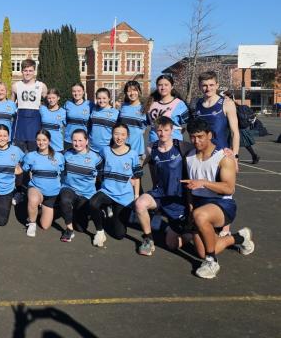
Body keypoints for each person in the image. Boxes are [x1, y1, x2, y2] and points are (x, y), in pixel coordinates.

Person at [180, 118, 254, 279]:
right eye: (192, 137)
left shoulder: (223, 157)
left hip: (222, 204)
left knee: (201, 217)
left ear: (210, 135)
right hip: (200, 205)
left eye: (200, 136)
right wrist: (191, 209)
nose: (196, 141)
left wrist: (204, 183)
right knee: (202, 250)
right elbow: (189, 188)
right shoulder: (189, 156)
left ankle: (212, 261)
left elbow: (229, 188)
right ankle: (240, 237)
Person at [134, 116, 190, 256]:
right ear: (155, 130)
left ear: (172, 130)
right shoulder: (151, 148)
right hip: (159, 194)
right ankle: (148, 239)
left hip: (177, 199)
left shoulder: (182, 146)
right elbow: (139, 164)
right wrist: (131, 172)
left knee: (172, 245)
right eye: (159, 130)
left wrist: (228, 153)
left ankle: (190, 232)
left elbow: (204, 149)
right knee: (140, 204)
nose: (162, 133)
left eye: (166, 130)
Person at [89, 123, 142, 247]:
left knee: (119, 235)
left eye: (123, 134)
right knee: (93, 203)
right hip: (107, 191)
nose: (119, 137)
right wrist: (100, 180)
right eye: (116, 134)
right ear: (112, 135)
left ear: (127, 136)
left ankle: (111, 211)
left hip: (124, 196)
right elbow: (97, 167)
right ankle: (100, 231)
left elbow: (136, 177)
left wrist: (136, 196)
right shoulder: (105, 150)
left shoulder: (133, 154)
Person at [59, 129, 103, 242]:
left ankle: (80, 213)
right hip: (69, 188)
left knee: (81, 228)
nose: (77, 144)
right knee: (64, 199)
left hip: (86, 194)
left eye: (80, 140)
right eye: (74, 140)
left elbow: (102, 176)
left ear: (87, 141)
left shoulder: (96, 158)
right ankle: (69, 230)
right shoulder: (66, 154)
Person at [21, 129, 64, 237]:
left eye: (44, 140)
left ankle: (37, 211)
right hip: (36, 188)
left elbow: (63, 174)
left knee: (45, 226)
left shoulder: (59, 156)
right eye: (38, 140)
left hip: (51, 194)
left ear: (49, 141)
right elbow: (23, 169)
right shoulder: (30, 156)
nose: (41, 142)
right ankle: (31, 223)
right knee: (33, 199)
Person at [194, 72, 240, 155]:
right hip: (201, 154)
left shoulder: (227, 103)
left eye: (211, 85)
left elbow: (235, 132)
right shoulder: (196, 104)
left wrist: (235, 156)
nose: (208, 88)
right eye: (204, 85)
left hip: (221, 154)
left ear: (217, 85)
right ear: (199, 87)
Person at [12, 59, 47, 153]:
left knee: (34, 152)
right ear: (22, 71)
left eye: (30, 70)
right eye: (25, 71)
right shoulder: (16, 86)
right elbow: (11, 105)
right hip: (20, 122)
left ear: (34, 71)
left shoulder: (42, 86)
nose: (28, 73)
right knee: (19, 153)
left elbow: (48, 104)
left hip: (35, 121)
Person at [145, 74, 189, 143]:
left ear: (172, 86)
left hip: (174, 144)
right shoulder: (151, 104)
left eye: (166, 85)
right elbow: (147, 123)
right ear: (157, 86)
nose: (163, 87)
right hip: (154, 143)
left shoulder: (179, 104)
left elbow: (186, 125)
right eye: (160, 85)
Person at [223, 91, 259, 164]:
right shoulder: (234, 103)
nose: (224, 98)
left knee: (234, 143)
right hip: (237, 127)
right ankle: (253, 156)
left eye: (225, 96)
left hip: (236, 127)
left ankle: (238, 158)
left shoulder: (230, 104)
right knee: (244, 144)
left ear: (228, 97)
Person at [118, 81, 147, 160]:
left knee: (136, 172)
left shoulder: (145, 108)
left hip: (137, 151)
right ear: (126, 93)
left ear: (139, 91)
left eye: (134, 90)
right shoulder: (122, 107)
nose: (132, 93)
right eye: (129, 91)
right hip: (122, 149)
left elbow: (152, 127)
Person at [63, 83, 93, 150]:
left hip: (83, 140)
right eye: (74, 91)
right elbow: (63, 121)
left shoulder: (90, 104)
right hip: (69, 139)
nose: (76, 93)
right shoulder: (67, 104)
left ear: (83, 92)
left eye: (79, 91)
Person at [88, 88, 119, 153]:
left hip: (107, 149)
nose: (101, 100)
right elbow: (89, 127)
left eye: (104, 98)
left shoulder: (116, 113)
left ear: (109, 98)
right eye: (99, 98)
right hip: (91, 148)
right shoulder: (93, 110)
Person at [38, 88, 66, 153]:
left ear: (58, 98)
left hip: (57, 145)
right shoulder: (42, 109)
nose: (51, 100)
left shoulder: (63, 112)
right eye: (49, 98)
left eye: (53, 98)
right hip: (44, 145)